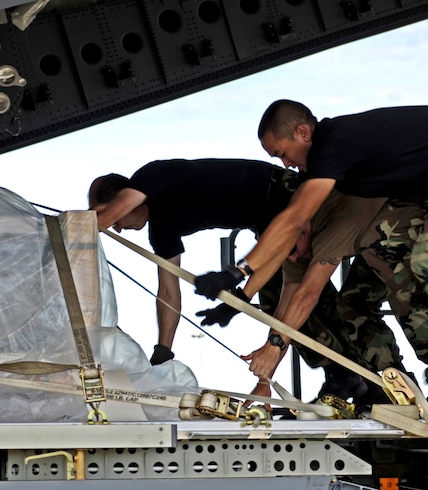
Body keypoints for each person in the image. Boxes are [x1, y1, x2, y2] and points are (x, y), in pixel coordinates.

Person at [194, 100, 428, 390]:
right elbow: (288, 293)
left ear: (302, 133)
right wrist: (239, 299)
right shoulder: (315, 193)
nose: (285, 164)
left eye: (282, 153)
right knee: (377, 247)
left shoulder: (332, 147)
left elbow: (298, 240)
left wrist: (235, 273)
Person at [89, 158, 364, 380]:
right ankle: (342, 375)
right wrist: (163, 350)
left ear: (122, 199)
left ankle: (355, 374)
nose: (114, 226)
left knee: (305, 296)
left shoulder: (152, 175)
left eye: (108, 213)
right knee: (275, 303)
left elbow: (106, 216)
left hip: (285, 196)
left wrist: (85, 224)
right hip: (264, 223)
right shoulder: (161, 230)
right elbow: (168, 292)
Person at [222, 189, 428, 412]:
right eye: (284, 255)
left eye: (292, 251)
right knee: (353, 305)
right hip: (374, 245)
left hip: (409, 228)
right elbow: (285, 315)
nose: (294, 259)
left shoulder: (330, 229)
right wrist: (265, 379)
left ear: (304, 228)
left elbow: (308, 295)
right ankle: (394, 387)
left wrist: (273, 347)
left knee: (407, 300)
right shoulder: (294, 248)